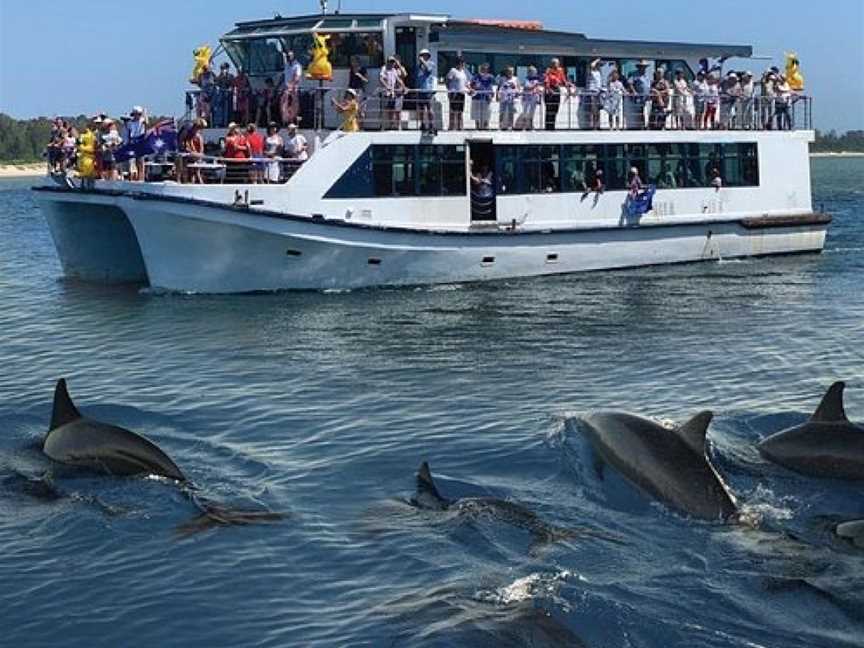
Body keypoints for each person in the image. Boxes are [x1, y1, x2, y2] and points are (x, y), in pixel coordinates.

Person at [379, 56, 406, 130]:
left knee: (393, 109)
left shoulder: (394, 70)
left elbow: (398, 79)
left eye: (393, 62)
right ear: (387, 61)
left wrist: (404, 87)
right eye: (390, 61)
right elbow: (381, 78)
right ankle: (383, 126)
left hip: (393, 93)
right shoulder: (384, 68)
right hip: (385, 93)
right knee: (385, 110)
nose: (391, 63)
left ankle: (395, 126)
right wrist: (386, 86)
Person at [415, 48, 437, 134]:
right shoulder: (418, 66)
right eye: (421, 56)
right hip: (420, 90)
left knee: (429, 108)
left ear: (427, 56)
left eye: (423, 55)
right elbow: (417, 78)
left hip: (428, 90)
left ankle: (431, 124)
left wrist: (423, 62)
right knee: (421, 109)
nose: (422, 57)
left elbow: (428, 70)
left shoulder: (431, 63)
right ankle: (423, 124)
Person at [543, 58, 568, 130]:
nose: (557, 65)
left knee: (555, 109)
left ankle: (553, 126)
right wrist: (549, 89)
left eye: (558, 63)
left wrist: (568, 87)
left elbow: (563, 80)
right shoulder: (548, 71)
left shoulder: (560, 70)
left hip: (557, 90)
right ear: (552, 64)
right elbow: (546, 81)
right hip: (549, 90)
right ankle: (548, 127)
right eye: (555, 63)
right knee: (549, 110)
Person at [179, 118, 206, 184]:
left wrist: (194, 152)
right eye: (200, 128)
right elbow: (181, 141)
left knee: (194, 166)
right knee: (184, 162)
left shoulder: (195, 132)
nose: (200, 130)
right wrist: (187, 150)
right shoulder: (187, 129)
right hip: (179, 144)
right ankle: (183, 181)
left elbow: (190, 141)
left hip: (186, 145)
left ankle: (193, 182)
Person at [445, 57, 469, 131]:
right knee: (453, 111)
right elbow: (447, 81)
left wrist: (470, 89)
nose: (463, 65)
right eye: (462, 63)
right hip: (454, 93)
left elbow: (465, 83)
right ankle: (452, 127)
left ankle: (460, 127)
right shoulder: (453, 70)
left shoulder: (463, 72)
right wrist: (450, 91)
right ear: (458, 63)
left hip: (461, 93)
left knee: (460, 111)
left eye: (463, 63)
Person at [280, 50, 303, 126]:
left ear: (293, 56)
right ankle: (285, 121)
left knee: (294, 104)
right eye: (287, 56)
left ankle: (293, 121)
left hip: (294, 88)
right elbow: (284, 76)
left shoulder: (297, 65)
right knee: (283, 103)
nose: (288, 57)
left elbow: (297, 77)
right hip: (286, 88)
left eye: (290, 56)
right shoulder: (286, 65)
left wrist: (291, 85)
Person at [470, 63, 495, 130]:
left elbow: (491, 86)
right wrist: (474, 88)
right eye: (483, 68)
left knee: (487, 112)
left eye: (486, 69)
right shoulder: (475, 77)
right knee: (476, 113)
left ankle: (486, 126)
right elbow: (472, 85)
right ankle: (477, 126)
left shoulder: (490, 77)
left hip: (486, 97)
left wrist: (491, 94)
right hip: (477, 97)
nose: (484, 70)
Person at [125, 106, 148, 181]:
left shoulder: (142, 121)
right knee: (132, 162)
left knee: (140, 162)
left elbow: (146, 123)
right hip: (133, 141)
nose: (138, 115)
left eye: (139, 114)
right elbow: (129, 133)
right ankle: (134, 179)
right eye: (137, 114)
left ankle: (141, 179)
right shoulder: (130, 123)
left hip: (140, 141)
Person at [496, 66, 520, 131]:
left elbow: (518, 87)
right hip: (503, 97)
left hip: (511, 98)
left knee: (511, 113)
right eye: (509, 71)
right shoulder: (502, 79)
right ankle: (501, 125)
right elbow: (498, 87)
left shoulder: (515, 79)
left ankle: (510, 125)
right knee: (502, 112)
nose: (510, 73)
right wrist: (497, 96)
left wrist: (517, 94)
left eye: (512, 71)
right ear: (506, 72)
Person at [520, 66, 543, 130]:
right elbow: (527, 87)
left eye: (535, 71)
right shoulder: (526, 79)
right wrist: (534, 86)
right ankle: (524, 126)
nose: (534, 73)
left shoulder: (537, 80)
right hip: (527, 97)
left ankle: (530, 125)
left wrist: (539, 93)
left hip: (534, 97)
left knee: (532, 112)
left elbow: (538, 89)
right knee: (525, 112)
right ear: (529, 72)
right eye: (533, 72)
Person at [584, 58, 603, 129]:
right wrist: (596, 60)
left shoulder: (599, 72)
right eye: (597, 65)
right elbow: (591, 66)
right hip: (592, 92)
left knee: (598, 110)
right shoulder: (590, 72)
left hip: (598, 93)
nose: (598, 66)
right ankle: (593, 126)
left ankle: (598, 125)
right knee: (593, 110)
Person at [214, 63, 234, 128]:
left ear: (227, 69)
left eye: (224, 68)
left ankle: (228, 122)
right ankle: (220, 123)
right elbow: (217, 84)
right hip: (221, 95)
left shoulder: (231, 76)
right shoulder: (219, 76)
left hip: (228, 95)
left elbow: (232, 85)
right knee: (220, 109)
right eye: (222, 68)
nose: (223, 70)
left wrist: (230, 89)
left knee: (228, 109)